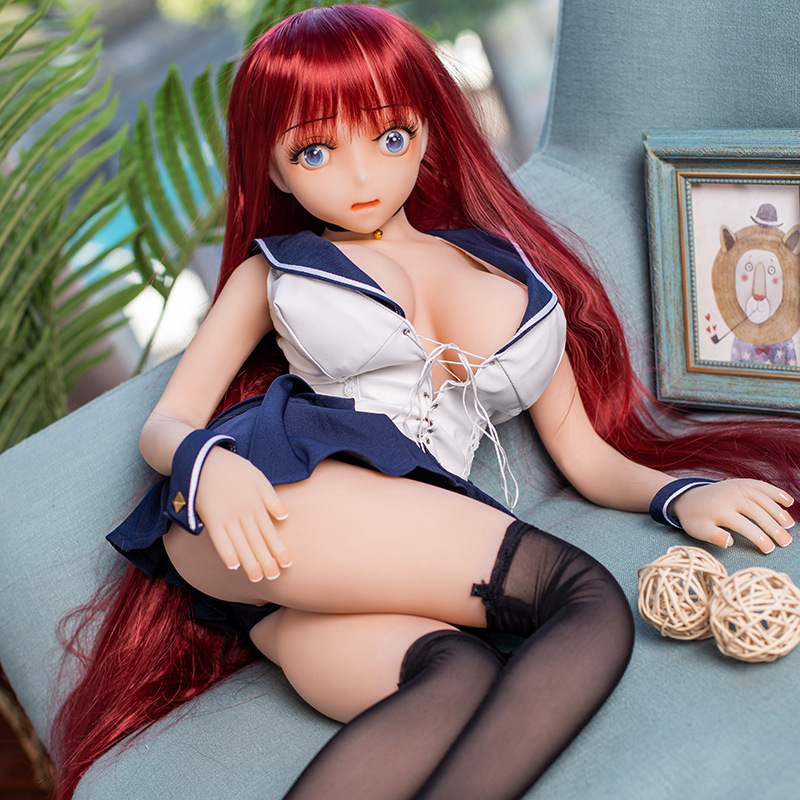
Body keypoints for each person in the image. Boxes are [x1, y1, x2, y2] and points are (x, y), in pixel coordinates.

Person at [53, 5, 800, 800]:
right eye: (315, 151)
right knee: (583, 600)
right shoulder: (274, 271)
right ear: (271, 169)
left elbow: (584, 455)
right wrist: (211, 467)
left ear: (428, 128)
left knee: (457, 674)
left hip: (329, 576)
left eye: (389, 136)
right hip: (276, 496)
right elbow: (167, 423)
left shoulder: (509, 271)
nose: (361, 177)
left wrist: (680, 491)